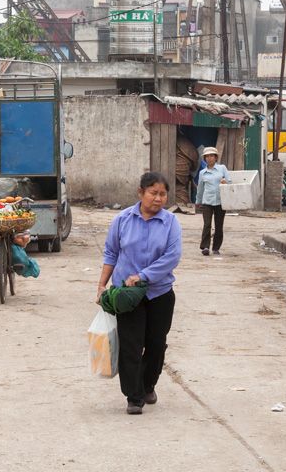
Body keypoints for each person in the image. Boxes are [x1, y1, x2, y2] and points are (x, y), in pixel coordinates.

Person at [97, 172, 182, 415]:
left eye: (162, 194)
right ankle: (133, 397)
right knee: (130, 345)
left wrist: (143, 276)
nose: (158, 198)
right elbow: (111, 253)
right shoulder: (122, 219)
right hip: (126, 295)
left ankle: (148, 385)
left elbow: (172, 257)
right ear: (140, 193)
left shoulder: (171, 223)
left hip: (159, 293)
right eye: (153, 193)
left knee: (156, 344)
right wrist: (101, 285)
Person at [194, 146, 231, 256]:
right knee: (207, 225)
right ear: (205, 159)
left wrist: (225, 182)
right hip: (207, 202)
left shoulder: (222, 169)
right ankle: (205, 247)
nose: (209, 158)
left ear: (216, 157)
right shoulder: (202, 173)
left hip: (220, 201)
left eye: (212, 156)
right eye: (207, 156)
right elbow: (200, 188)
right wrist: (198, 201)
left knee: (219, 226)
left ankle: (216, 248)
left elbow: (230, 181)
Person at [174, 134, 199, 212]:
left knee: (180, 192)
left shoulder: (181, 143)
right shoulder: (189, 146)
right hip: (182, 176)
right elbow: (194, 166)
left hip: (181, 176)